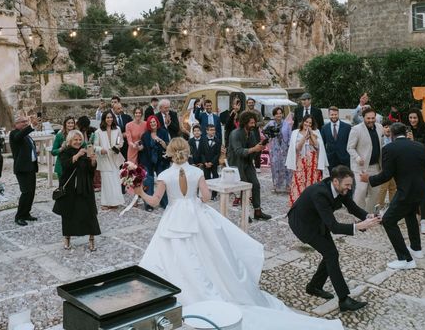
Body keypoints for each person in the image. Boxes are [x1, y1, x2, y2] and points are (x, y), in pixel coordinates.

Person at [136, 138, 343, 330]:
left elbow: (154, 202)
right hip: (196, 216)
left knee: (172, 257)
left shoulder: (164, 176)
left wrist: (139, 192)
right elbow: (207, 197)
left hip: (173, 220)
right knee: (209, 255)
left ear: (170, 154)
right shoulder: (196, 172)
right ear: (187, 152)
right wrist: (194, 199)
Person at [288, 166, 380, 312]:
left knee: (331, 254)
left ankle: (314, 286)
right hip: (302, 224)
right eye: (347, 185)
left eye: (351, 185)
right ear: (336, 182)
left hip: (318, 220)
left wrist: (367, 216)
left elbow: (352, 207)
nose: (349, 188)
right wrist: (358, 226)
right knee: (331, 254)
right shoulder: (320, 193)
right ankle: (343, 299)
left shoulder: (341, 189)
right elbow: (334, 227)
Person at [360, 123, 425, 269]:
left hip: (406, 192)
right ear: (405, 133)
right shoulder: (419, 146)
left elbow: (387, 174)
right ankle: (416, 249)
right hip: (422, 191)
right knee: (410, 215)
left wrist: (369, 179)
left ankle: (405, 259)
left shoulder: (389, 148)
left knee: (388, 221)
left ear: (392, 135)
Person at [52, 129, 101, 252]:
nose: (78, 142)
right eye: (75, 140)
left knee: (90, 214)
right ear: (70, 140)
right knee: (69, 214)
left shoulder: (86, 151)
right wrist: (77, 155)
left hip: (85, 187)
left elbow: (90, 171)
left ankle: (91, 239)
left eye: (80, 140)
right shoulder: (65, 152)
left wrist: (93, 161)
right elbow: (65, 166)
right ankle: (67, 238)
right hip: (70, 189)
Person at [227, 111, 271, 220]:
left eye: (254, 123)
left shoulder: (251, 134)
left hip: (247, 162)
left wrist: (260, 147)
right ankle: (245, 214)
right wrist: (254, 149)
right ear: (244, 122)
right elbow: (238, 151)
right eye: (251, 123)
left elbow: (253, 151)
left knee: (256, 184)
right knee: (244, 188)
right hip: (236, 164)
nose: (253, 125)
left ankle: (258, 211)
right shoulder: (235, 133)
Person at [347, 107, 384, 213]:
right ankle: (358, 215)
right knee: (360, 192)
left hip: (376, 166)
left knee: (375, 192)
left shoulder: (379, 127)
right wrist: (358, 158)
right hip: (361, 168)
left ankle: (369, 214)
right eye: (368, 118)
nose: (371, 120)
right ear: (363, 118)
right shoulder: (356, 129)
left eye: (373, 118)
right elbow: (350, 148)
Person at [286, 115, 327, 206]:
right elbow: (297, 148)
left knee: (312, 181)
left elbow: (316, 146)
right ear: (303, 122)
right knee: (299, 181)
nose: (307, 124)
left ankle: (311, 203)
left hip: (313, 161)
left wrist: (311, 134)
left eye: (310, 123)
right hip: (301, 161)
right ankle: (297, 203)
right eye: (306, 122)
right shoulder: (295, 133)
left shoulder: (316, 132)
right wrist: (304, 137)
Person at [406, 108, 425, 234]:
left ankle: (424, 220)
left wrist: (413, 141)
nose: (412, 120)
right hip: (409, 165)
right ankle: (413, 216)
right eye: (410, 118)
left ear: (419, 118)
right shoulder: (406, 129)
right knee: (411, 192)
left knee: (422, 193)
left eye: (415, 118)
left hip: (422, 165)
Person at [10, 114, 39, 227]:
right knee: (26, 192)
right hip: (22, 168)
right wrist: (31, 126)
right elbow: (19, 137)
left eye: (26, 121)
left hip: (31, 166)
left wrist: (34, 152)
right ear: (16, 124)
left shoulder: (27, 136)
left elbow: (26, 147)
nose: (25, 123)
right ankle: (19, 216)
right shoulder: (14, 133)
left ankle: (26, 213)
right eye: (23, 122)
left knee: (31, 192)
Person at [94, 110, 125, 209]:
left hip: (115, 158)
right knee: (107, 181)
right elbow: (95, 146)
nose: (110, 119)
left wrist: (118, 147)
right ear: (104, 119)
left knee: (115, 180)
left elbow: (121, 141)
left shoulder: (118, 129)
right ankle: (106, 203)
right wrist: (100, 150)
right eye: (107, 117)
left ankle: (115, 202)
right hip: (104, 158)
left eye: (111, 117)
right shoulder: (98, 132)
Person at [139, 115, 170, 211]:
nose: (153, 124)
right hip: (148, 161)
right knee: (149, 181)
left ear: (157, 122)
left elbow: (167, 147)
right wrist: (140, 147)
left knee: (162, 181)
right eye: (151, 122)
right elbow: (143, 148)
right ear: (148, 124)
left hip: (161, 161)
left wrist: (159, 139)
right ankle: (149, 204)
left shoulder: (163, 132)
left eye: (154, 122)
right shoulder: (145, 135)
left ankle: (164, 202)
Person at [264, 107, 292, 193]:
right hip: (274, 149)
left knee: (286, 167)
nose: (279, 115)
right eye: (277, 113)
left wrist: (290, 146)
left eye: (280, 113)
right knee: (275, 167)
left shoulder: (286, 123)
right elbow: (264, 131)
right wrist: (269, 137)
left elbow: (290, 135)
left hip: (284, 148)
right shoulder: (271, 123)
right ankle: (276, 185)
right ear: (274, 115)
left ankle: (288, 185)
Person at [321, 106, 351, 171]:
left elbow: (351, 143)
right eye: (332, 114)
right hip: (331, 159)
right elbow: (322, 144)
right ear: (329, 115)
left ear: (338, 114)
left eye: (335, 114)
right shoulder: (324, 128)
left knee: (345, 178)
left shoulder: (347, 127)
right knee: (333, 179)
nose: (334, 116)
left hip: (344, 159)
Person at [376, 122, 397, 206]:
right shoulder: (380, 139)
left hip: (394, 167)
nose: (388, 129)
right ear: (382, 128)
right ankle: (378, 206)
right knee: (383, 188)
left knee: (393, 187)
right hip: (383, 167)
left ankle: (392, 206)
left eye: (390, 127)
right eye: (386, 127)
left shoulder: (394, 139)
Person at [200, 124, 221, 198]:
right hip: (205, 162)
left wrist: (212, 162)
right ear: (207, 131)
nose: (213, 131)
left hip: (214, 162)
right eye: (211, 130)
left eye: (214, 130)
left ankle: (214, 194)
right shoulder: (202, 140)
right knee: (206, 177)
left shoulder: (218, 140)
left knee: (215, 176)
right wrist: (205, 162)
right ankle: (207, 193)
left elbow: (217, 153)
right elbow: (201, 153)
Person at [76, 115, 97, 190]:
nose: (85, 129)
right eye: (83, 127)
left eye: (86, 127)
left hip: (89, 151)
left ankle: (91, 184)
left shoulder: (90, 130)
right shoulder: (76, 132)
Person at [246, 97, 265, 170]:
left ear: (254, 103)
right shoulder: (245, 113)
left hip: (255, 131)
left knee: (258, 147)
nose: (251, 104)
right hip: (247, 131)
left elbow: (262, 122)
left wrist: (254, 124)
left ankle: (257, 166)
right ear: (247, 104)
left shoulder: (258, 112)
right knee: (248, 147)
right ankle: (248, 165)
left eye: (252, 102)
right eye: (249, 103)